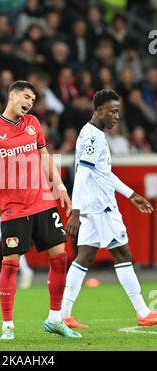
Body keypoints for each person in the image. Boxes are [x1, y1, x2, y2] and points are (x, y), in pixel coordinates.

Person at [0, 80, 82, 340]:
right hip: (14, 209)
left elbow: (44, 156)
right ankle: (7, 325)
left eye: (33, 100)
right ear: (13, 95)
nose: (29, 103)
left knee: (60, 256)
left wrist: (60, 187)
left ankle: (55, 319)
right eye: (26, 97)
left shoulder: (34, 124)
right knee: (10, 264)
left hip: (43, 202)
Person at [63, 89, 156, 328]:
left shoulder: (92, 133)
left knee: (84, 257)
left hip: (92, 206)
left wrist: (131, 194)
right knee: (123, 254)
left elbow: (103, 173)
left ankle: (63, 315)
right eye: (113, 111)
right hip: (101, 207)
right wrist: (75, 210)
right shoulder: (93, 136)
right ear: (99, 110)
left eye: (118, 111)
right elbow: (82, 173)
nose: (116, 116)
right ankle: (143, 312)